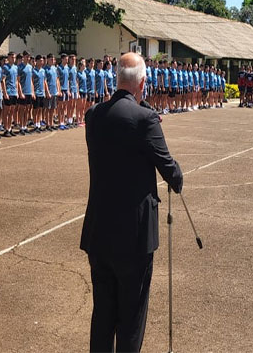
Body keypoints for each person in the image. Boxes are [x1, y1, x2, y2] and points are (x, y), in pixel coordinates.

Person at [81, 52, 183, 351]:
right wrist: (178, 176)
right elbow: (169, 171)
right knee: (131, 317)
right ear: (142, 83)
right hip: (133, 235)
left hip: (100, 229)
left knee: (103, 315)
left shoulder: (94, 115)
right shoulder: (145, 118)